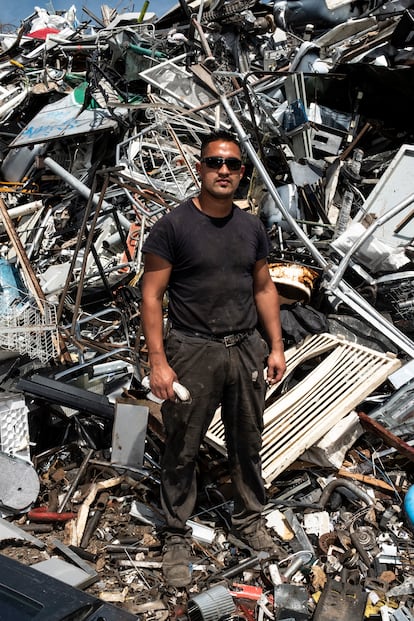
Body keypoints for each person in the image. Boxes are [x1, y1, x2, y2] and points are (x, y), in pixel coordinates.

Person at [140, 130, 286, 588]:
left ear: (242, 173)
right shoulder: (174, 227)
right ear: (199, 169)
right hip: (193, 347)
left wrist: (276, 346)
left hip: (245, 348)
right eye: (214, 162)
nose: (223, 170)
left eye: (232, 164)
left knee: (248, 440)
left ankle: (248, 522)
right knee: (182, 445)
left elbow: (264, 288)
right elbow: (151, 296)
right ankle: (176, 533)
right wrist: (159, 362)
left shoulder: (251, 227)